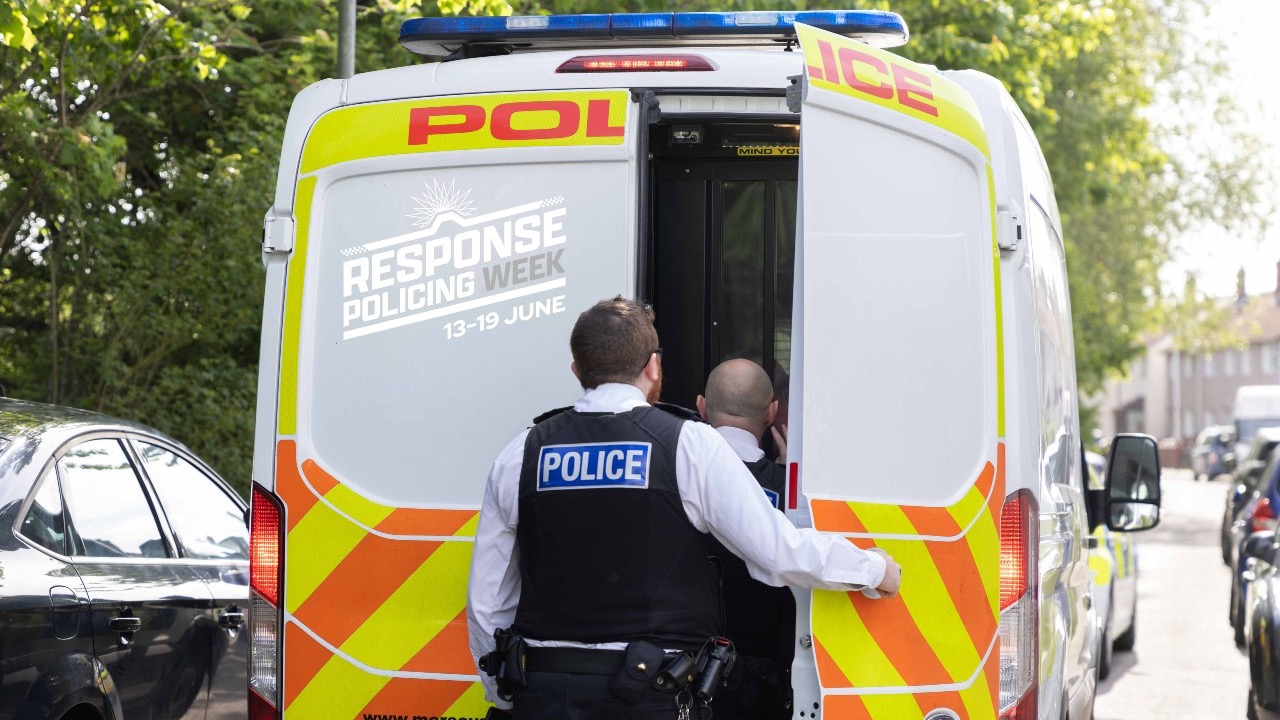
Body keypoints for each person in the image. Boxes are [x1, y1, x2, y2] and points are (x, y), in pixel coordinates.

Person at [467, 297, 902, 720]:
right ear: (653, 366)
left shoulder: (520, 453)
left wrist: (502, 695)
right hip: (649, 695)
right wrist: (871, 569)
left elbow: (487, 605)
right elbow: (776, 551)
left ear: (578, 370)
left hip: (544, 696)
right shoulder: (687, 445)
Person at [695, 358, 795, 720]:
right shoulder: (789, 492)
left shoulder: (675, 477)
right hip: (763, 682)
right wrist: (791, 482)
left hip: (682, 676)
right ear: (772, 412)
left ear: (701, 407)